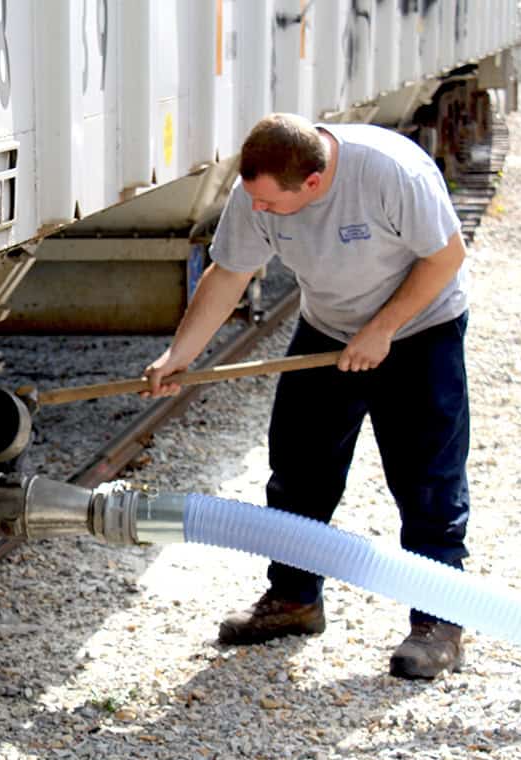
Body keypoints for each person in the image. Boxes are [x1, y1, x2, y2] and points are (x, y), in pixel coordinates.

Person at [144, 113, 470, 680]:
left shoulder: (393, 174)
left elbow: (446, 258)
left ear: (314, 185)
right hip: (328, 328)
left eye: (271, 205)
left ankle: (438, 621)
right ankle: (295, 598)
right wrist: (182, 355)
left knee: (426, 478)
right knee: (298, 469)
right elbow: (229, 273)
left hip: (420, 330)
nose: (259, 213)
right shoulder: (259, 191)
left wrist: (384, 328)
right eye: (255, 203)